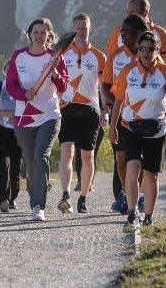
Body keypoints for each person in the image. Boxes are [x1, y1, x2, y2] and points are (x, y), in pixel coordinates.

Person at [109, 30, 166, 232]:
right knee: (133, 166)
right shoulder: (127, 71)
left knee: (151, 175)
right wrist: (113, 127)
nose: (147, 53)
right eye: (142, 49)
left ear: (158, 50)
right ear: (137, 50)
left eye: (151, 49)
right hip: (130, 127)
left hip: (156, 129)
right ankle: (132, 212)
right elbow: (119, 101)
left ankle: (148, 216)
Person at [6, 18, 68, 221]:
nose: (40, 36)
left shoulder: (55, 57)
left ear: (49, 36)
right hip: (24, 115)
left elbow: (63, 87)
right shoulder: (19, 57)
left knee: (41, 156)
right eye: (36, 32)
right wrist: (23, 94)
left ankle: (38, 206)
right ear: (30, 34)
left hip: (49, 114)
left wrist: (56, 73)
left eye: (44, 33)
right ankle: (35, 195)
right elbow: (10, 85)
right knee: (31, 160)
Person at [56, 13, 106, 214]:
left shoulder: (98, 56)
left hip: (90, 110)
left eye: (84, 28)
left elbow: (104, 87)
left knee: (87, 156)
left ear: (90, 29)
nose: (80, 32)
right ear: (72, 29)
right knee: (67, 151)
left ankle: (83, 197)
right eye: (77, 28)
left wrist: (105, 110)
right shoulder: (62, 53)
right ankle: (65, 194)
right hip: (66, 108)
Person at [100, 14, 148, 213]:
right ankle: (127, 195)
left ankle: (137, 194)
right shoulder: (115, 55)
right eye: (121, 32)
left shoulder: (147, 54)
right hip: (120, 114)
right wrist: (113, 104)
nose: (122, 36)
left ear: (138, 34)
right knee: (121, 159)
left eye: (126, 32)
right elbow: (105, 85)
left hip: (143, 116)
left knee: (139, 160)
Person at [0, 65, 22, 213]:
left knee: (15, 166)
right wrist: (7, 113)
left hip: (19, 132)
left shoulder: (24, 88)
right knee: (2, 164)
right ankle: (3, 199)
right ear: (6, 72)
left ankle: (13, 198)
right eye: (10, 70)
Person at [104, 0, 166, 69]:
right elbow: (108, 62)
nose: (128, 15)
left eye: (132, 12)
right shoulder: (117, 32)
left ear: (145, 12)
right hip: (121, 79)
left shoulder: (161, 34)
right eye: (127, 12)